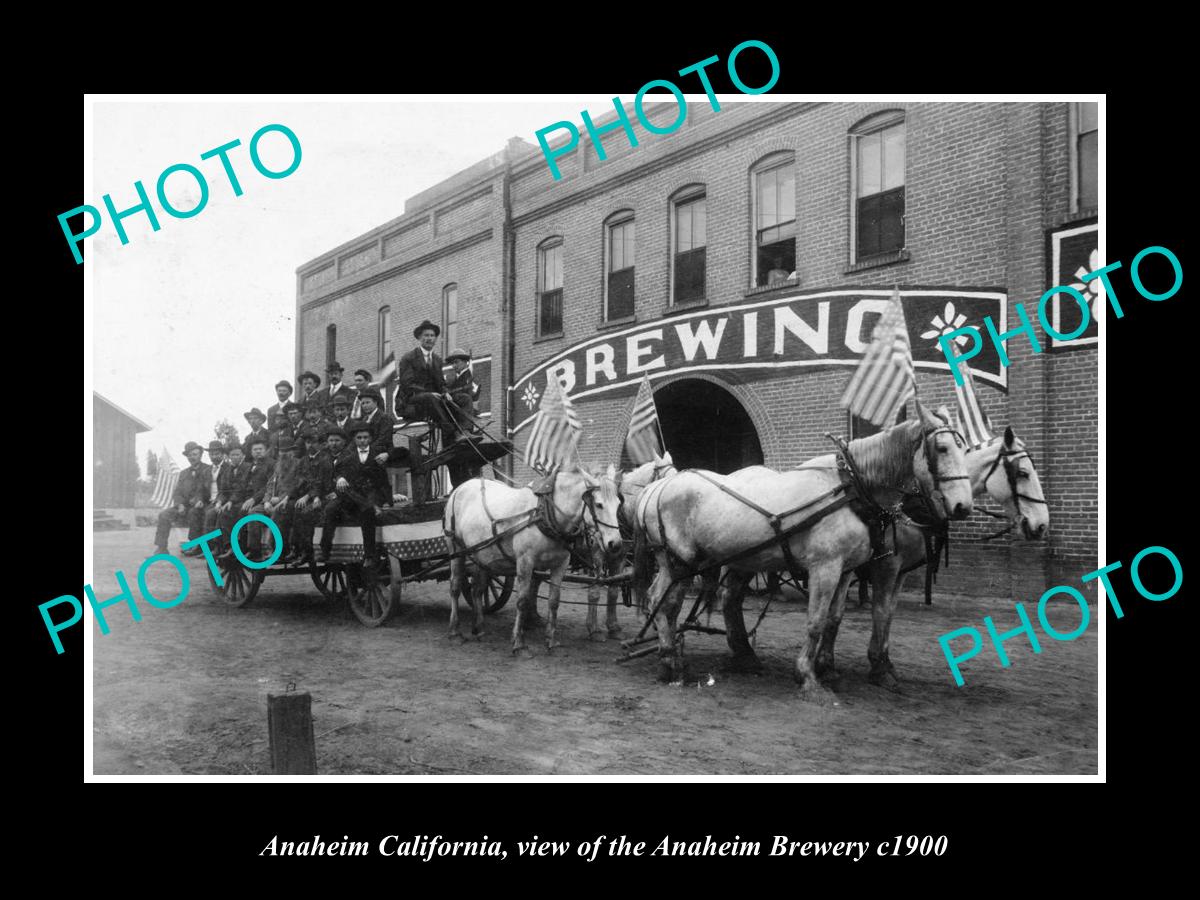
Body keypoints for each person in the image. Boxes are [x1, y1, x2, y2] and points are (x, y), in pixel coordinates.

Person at [317, 422, 393, 569]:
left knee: (367, 512)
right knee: (331, 509)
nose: (363, 441)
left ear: (370, 438)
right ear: (354, 440)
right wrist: (340, 478)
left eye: (366, 437)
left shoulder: (377, 453)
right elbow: (337, 471)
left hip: (374, 492)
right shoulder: (348, 457)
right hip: (352, 495)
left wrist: (388, 454)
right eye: (359, 438)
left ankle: (369, 555)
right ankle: (325, 547)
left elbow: (402, 451)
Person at [151, 442, 210, 557]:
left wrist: (199, 500)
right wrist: (179, 505)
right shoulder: (183, 473)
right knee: (164, 515)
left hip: (201, 505)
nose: (192, 457)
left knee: (194, 512)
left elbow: (205, 489)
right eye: (189, 455)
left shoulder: (207, 470)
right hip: (185, 506)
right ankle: (162, 547)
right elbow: (177, 492)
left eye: (195, 454)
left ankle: (195, 545)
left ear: (201, 455)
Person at [286, 427, 333, 565]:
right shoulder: (303, 461)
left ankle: (307, 551)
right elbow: (299, 482)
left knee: (305, 512)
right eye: (307, 442)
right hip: (307, 496)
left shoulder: (325, 459)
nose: (310, 445)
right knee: (291, 508)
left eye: (313, 442)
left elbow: (321, 482)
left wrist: (311, 496)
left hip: (323, 496)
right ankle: (295, 548)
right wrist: (288, 497)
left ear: (319, 443)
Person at [251, 435, 300, 562]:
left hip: (289, 500)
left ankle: (275, 549)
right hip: (272, 501)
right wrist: (267, 501)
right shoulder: (277, 466)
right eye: (282, 451)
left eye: (287, 451)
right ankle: (255, 550)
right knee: (253, 512)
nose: (284, 454)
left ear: (292, 451)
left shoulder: (298, 465)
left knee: (278, 512)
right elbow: (270, 484)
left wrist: (280, 498)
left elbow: (297, 486)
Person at [230, 435, 275, 561]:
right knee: (235, 509)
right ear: (251, 452)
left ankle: (254, 550)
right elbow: (242, 486)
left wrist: (253, 499)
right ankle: (238, 547)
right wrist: (231, 501)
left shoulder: (271, 465)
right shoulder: (249, 466)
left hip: (265, 500)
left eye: (260, 449)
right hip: (251, 499)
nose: (258, 451)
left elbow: (269, 486)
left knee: (252, 513)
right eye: (255, 449)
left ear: (266, 450)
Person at [213, 444, 249, 551]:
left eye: (237, 455)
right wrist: (219, 502)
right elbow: (223, 490)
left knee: (227, 512)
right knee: (217, 511)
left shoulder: (248, 467)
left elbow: (242, 487)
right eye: (232, 455)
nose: (234, 457)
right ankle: (221, 545)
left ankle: (230, 545)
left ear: (243, 456)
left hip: (243, 499)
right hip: (231, 500)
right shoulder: (227, 470)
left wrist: (231, 501)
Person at [202, 440, 228, 536]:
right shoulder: (206, 471)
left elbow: (227, 490)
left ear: (222, 454)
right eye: (211, 454)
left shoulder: (228, 468)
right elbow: (201, 489)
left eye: (217, 454)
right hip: (209, 501)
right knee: (195, 512)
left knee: (210, 514)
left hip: (223, 500)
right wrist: (199, 500)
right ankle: (197, 544)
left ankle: (209, 545)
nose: (214, 457)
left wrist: (219, 501)